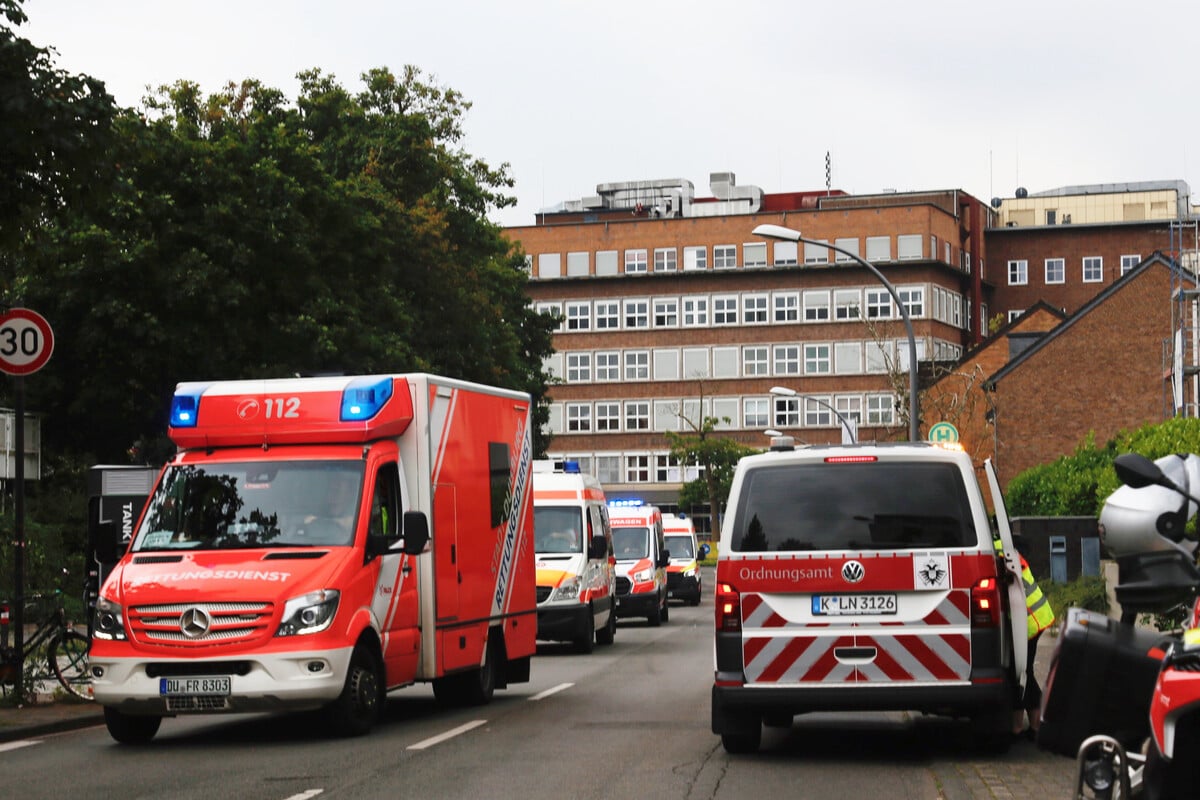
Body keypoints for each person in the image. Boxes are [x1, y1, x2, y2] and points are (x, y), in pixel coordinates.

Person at [996, 537, 1056, 737]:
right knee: (1023, 673)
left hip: (1030, 621)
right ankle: (1034, 725)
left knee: (1021, 674)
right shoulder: (1003, 548)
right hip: (1031, 619)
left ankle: (1024, 726)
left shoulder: (999, 552)